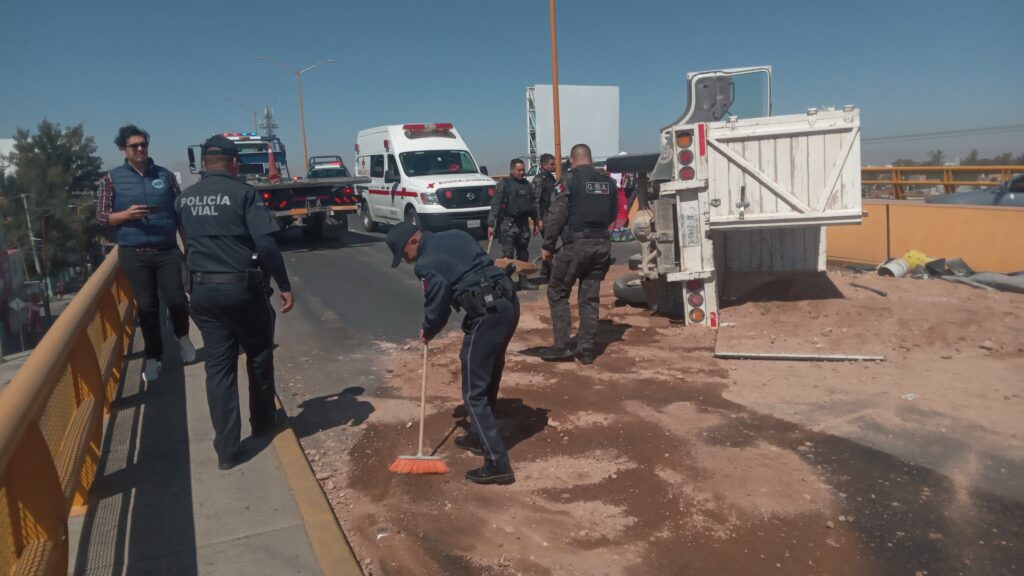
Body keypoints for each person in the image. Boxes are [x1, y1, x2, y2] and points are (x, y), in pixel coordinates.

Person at [175, 135, 293, 470]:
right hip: (242, 291)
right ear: (234, 162)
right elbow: (266, 246)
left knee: (218, 370)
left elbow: (183, 241)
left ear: (204, 163)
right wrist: (284, 285)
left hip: (202, 294)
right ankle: (263, 421)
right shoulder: (244, 194)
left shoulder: (184, 199)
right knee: (258, 355)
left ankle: (227, 450)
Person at [388, 221, 519, 485]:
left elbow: (438, 303)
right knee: (487, 371)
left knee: (473, 392)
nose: (406, 261)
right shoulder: (455, 234)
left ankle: (498, 463)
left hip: (487, 315)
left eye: (403, 255)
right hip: (507, 305)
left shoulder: (426, 262)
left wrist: (428, 329)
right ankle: (479, 438)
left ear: (413, 241)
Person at [98, 124, 195, 383]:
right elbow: (102, 217)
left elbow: (179, 213)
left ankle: (182, 336)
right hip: (134, 253)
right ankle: (154, 356)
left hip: (167, 250)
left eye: (143, 145)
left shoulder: (164, 175)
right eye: (134, 146)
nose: (140, 149)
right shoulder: (111, 178)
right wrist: (126, 215)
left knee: (176, 299)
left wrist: (188, 247)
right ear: (123, 149)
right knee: (148, 307)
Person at [540, 144, 618, 365]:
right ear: (590, 159)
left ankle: (563, 345)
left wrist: (547, 245)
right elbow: (612, 214)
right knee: (589, 299)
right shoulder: (608, 183)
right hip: (601, 246)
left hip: (576, 246)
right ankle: (586, 350)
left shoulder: (569, 180)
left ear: (573, 160)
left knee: (557, 292)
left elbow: (556, 214)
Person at [487, 158, 537, 290]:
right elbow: (495, 204)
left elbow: (533, 204)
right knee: (508, 256)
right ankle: (507, 283)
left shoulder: (527, 185)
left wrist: (537, 221)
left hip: (524, 225)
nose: (522, 173)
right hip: (508, 225)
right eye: (519, 170)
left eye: (523, 170)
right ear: (511, 170)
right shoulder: (504, 184)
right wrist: (491, 224)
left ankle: (523, 281)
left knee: (523, 254)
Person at [531, 153, 558, 280]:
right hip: (544, 215)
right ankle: (547, 270)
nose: (554, 166)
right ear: (544, 165)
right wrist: (538, 219)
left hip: (551, 214)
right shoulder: (539, 180)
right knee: (548, 243)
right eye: (551, 164)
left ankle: (546, 269)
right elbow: (535, 201)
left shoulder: (551, 178)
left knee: (551, 243)